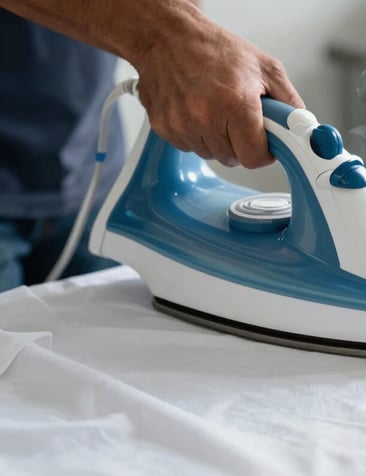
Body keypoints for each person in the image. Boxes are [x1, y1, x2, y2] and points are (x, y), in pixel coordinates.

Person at [0, 0, 304, 291]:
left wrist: (192, 54)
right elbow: (169, 34)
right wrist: (165, 38)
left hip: (95, 178)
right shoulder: (160, 36)